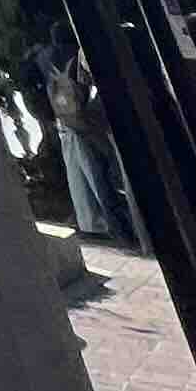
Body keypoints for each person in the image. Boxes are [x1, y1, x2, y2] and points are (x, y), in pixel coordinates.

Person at [46, 35, 132, 245]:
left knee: (97, 181)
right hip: (90, 125)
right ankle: (121, 230)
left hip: (75, 125)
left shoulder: (54, 59)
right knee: (105, 180)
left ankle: (115, 229)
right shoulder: (78, 54)